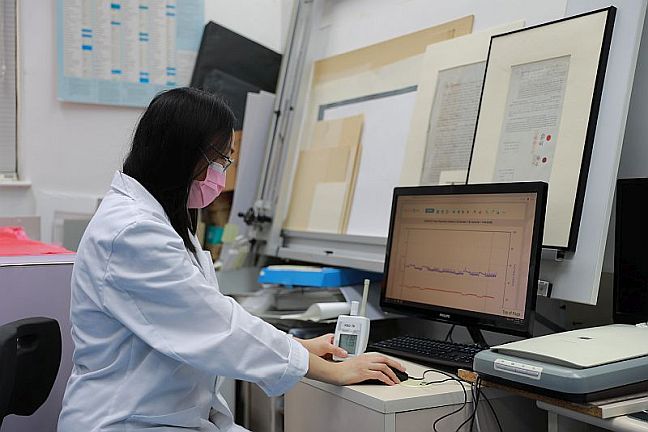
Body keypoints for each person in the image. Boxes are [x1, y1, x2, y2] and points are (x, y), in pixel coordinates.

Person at [57, 87, 405, 432]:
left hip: (163, 414)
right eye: (220, 160)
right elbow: (216, 326)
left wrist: (301, 346)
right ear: (183, 156)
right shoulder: (132, 232)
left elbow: (208, 312)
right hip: (126, 420)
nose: (221, 175)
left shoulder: (159, 221)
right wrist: (333, 370)